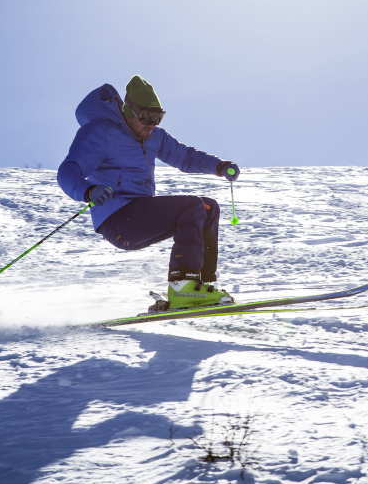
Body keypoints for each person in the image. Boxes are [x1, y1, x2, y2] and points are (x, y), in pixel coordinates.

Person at [57, 76, 240, 309]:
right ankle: (183, 288)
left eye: (158, 118)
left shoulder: (154, 136)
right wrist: (88, 190)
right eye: (146, 117)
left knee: (208, 207)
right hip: (118, 220)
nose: (151, 124)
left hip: (141, 213)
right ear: (129, 111)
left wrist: (219, 166)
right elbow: (67, 171)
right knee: (191, 206)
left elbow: (184, 156)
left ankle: (200, 287)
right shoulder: (100, 132)